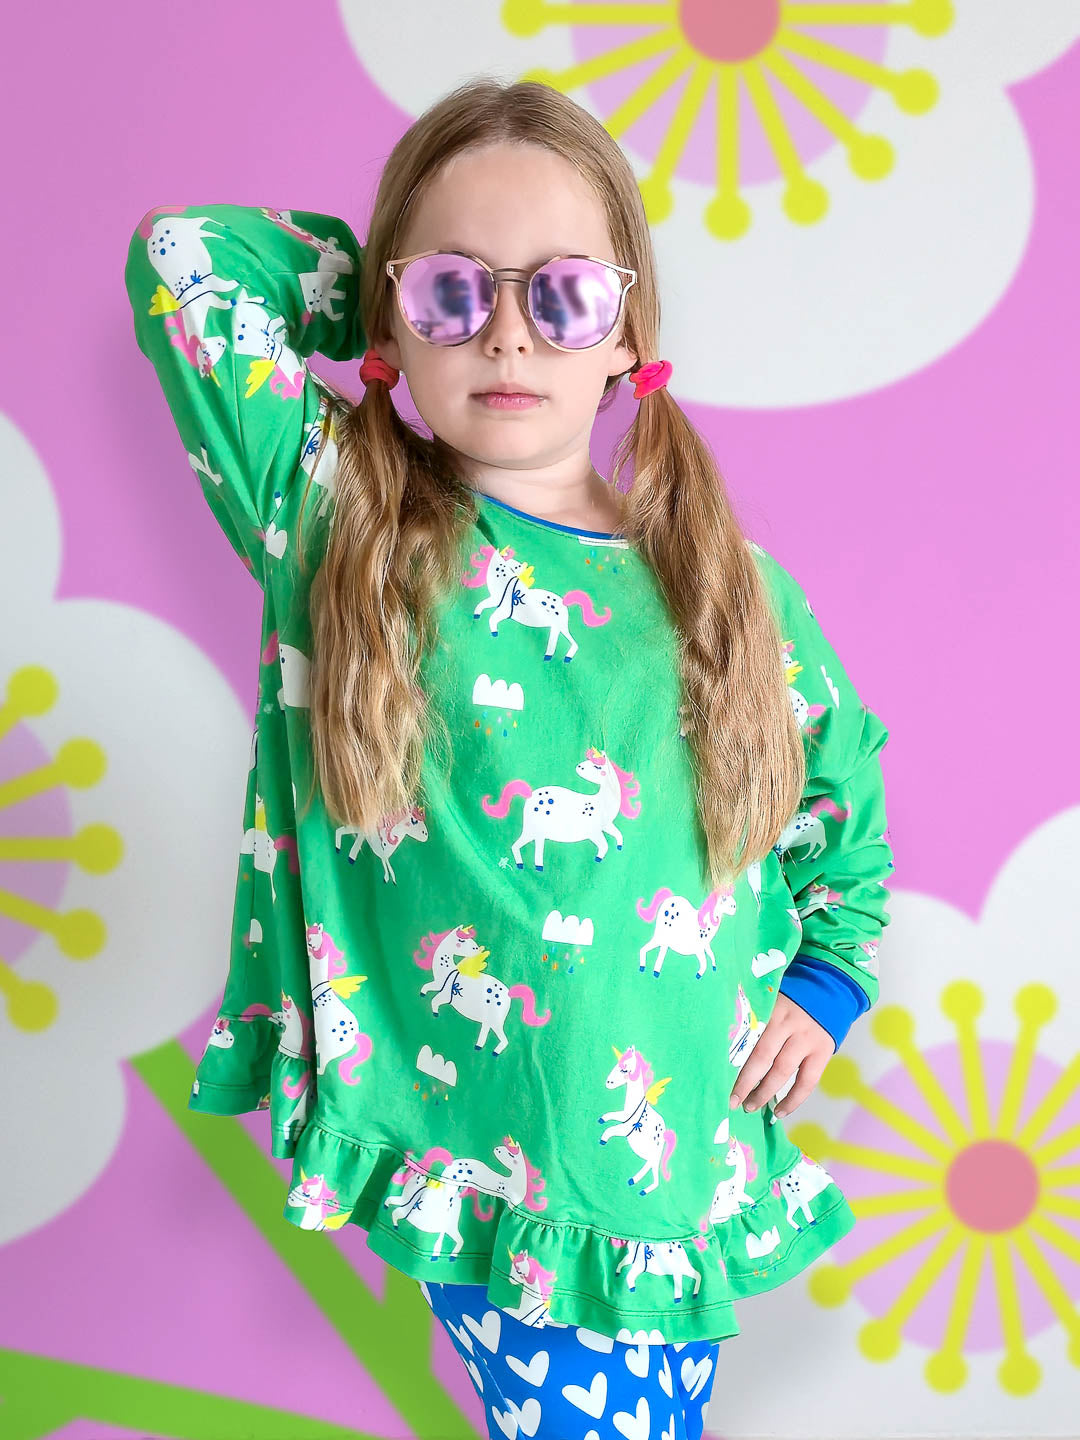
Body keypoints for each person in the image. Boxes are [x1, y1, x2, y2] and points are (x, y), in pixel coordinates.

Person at [124, 76, 893, 1440]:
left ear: (628, 333)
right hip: (484, 1151)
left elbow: (839, 802)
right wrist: (370, 290)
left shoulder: (725, 590)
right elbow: (185, 259)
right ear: (394, 324)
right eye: (454, 295)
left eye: (563, 295)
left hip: (663, 1164)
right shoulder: (345, 524)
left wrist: (827, 981)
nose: (508, 333)